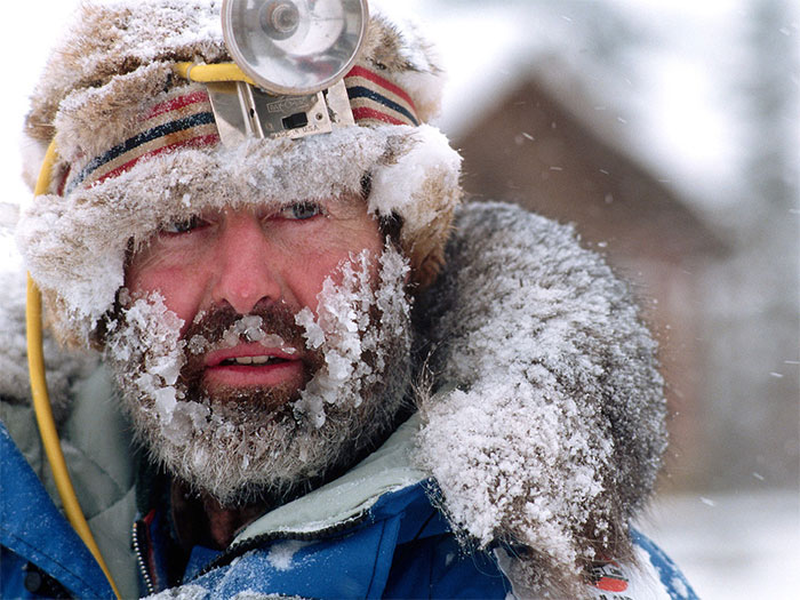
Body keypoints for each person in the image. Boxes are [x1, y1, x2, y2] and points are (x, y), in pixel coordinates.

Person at [1, 1, 698, 598]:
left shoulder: (545, 578)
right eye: (180, 223)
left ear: (398, 246)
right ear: (101, 283)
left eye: (302, 209)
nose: (246, 288)